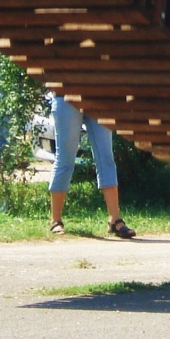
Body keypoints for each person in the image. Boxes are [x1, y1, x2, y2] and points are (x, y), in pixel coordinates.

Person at [48, 96, 136, 238]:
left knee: (106, 158)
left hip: (99, 97)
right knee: (65, 159)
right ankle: (55, 220)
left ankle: (115, 220)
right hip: (66, 97)